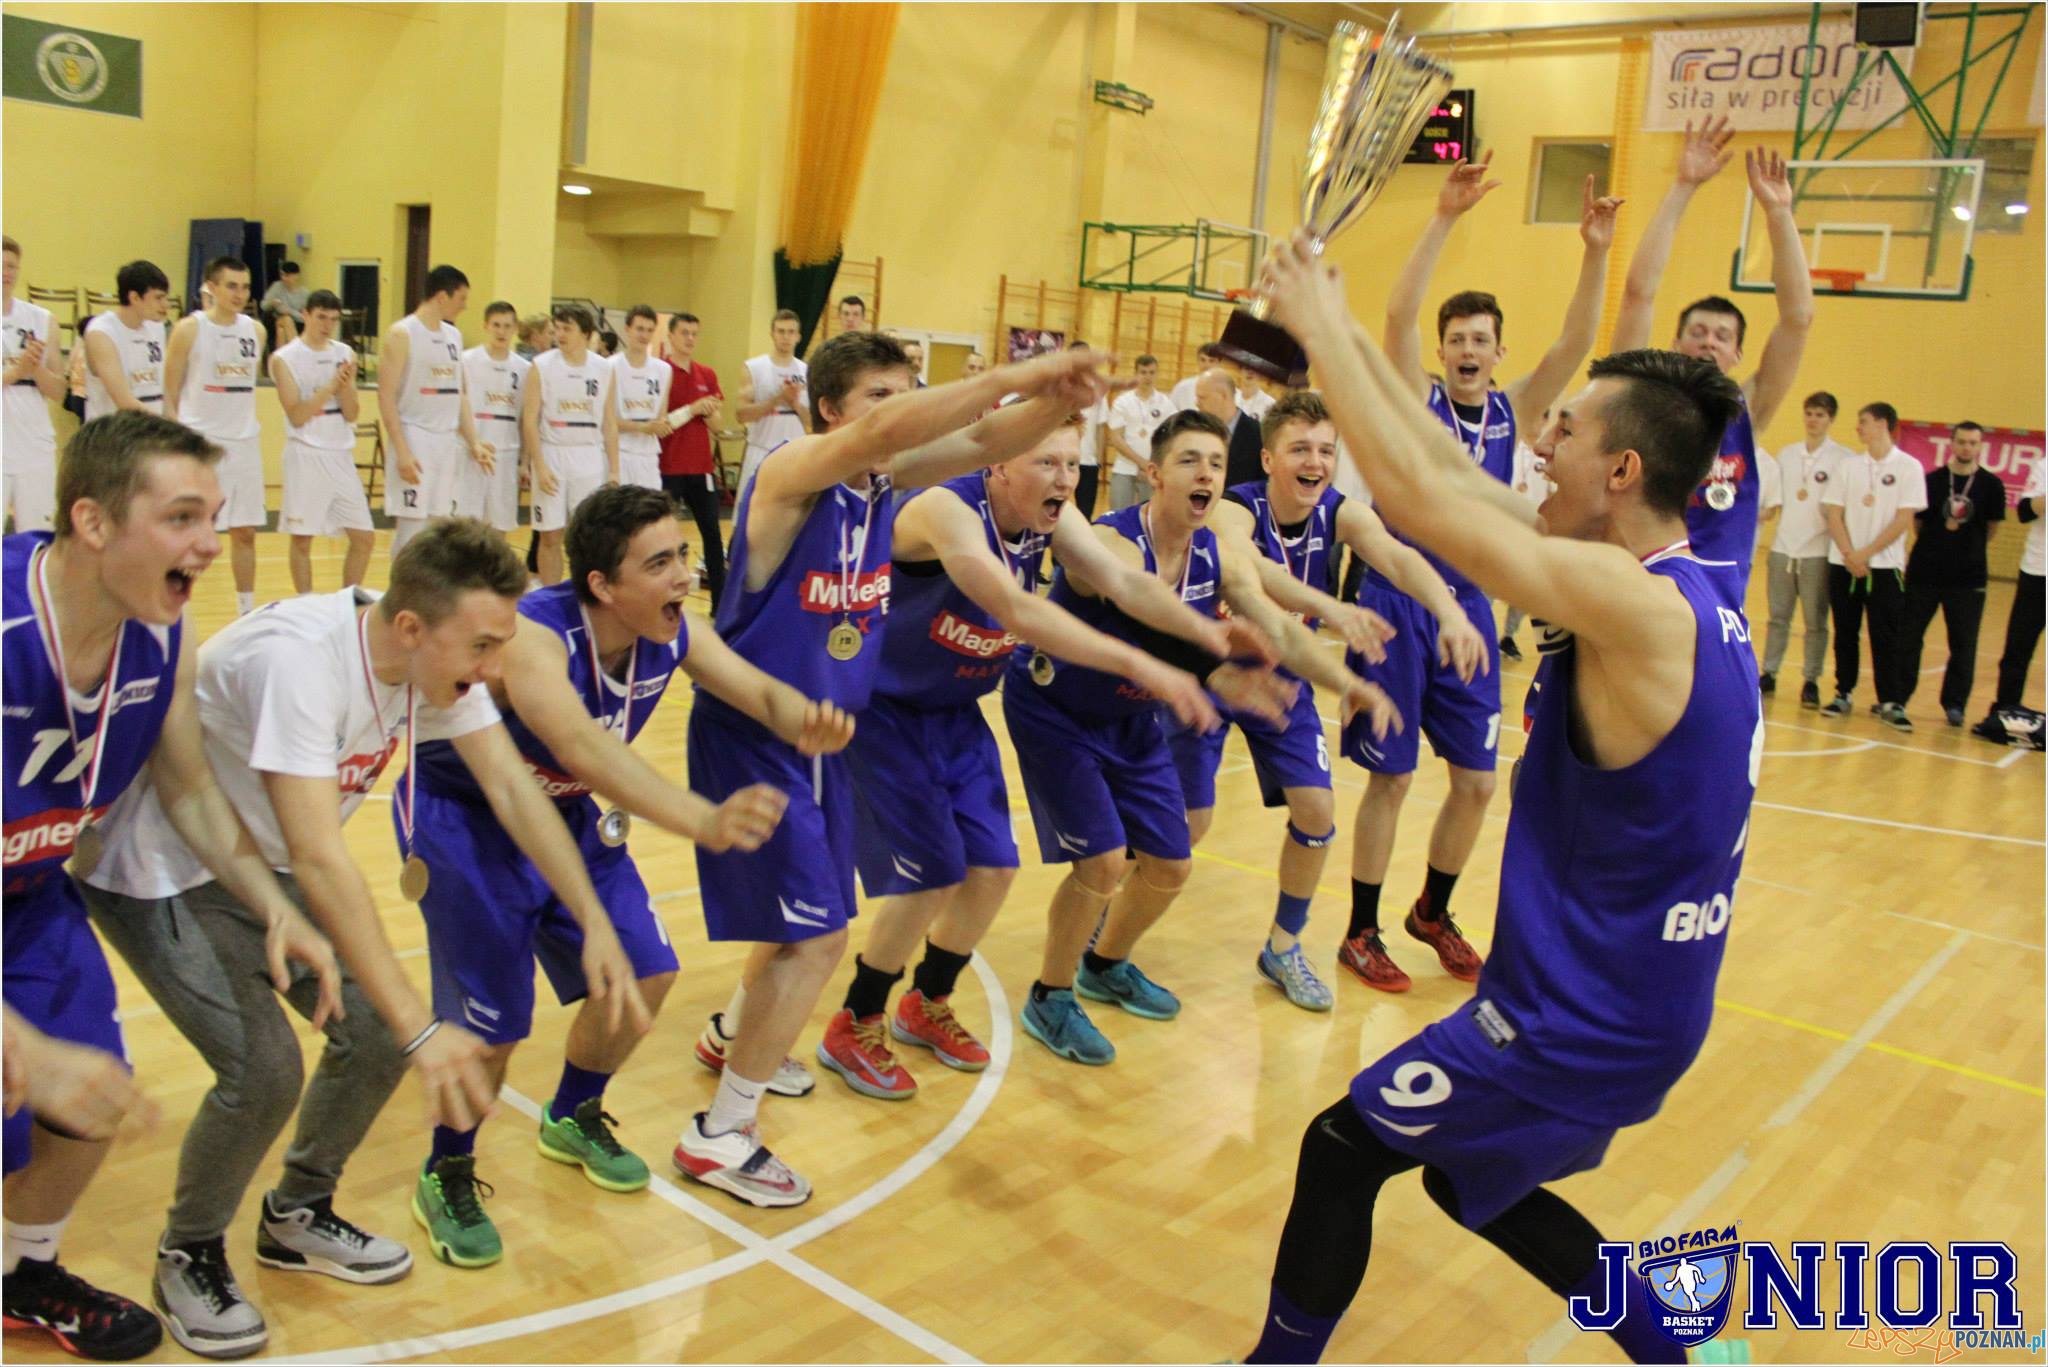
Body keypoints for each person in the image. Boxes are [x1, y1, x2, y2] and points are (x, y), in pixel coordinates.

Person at [1243, 231, 1757, 1367]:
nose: (1539, 440)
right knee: (1472, 1177)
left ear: (1621, 470)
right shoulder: (1694, 586)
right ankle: (1667, 1341)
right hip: (1635, 1003)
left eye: (1564, 430)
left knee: (1341, 1147)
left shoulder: (1631, 605)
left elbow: (1427, 496)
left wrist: (1316, 321)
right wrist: (1346, 327)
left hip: (1572, 1021)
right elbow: (1447, 468)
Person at [79, 520, 644, 1344]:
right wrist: (426, 1028)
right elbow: (318, 856)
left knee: (376, 1030)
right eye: (482, 646)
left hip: (259, 866)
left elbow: (517, 794)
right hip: (159, 865)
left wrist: (592, 917)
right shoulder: (302, 663)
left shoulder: (431, 662)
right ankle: (189, 1249)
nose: (493, 670)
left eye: (502, 645)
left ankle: (297, 1211)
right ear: (411, 625)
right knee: (263, 1065)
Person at [676, 334, 1113, 1205]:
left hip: (829, 734)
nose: (899, 409)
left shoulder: (881, 482)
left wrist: (1063, 399)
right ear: (832, 408)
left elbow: (988, 442)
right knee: (820, 936)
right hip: (757, 730)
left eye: (904, 392)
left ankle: (733, 1032)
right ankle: (721, 1132)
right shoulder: (794, 470)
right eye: (882, 395)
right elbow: (907, 434)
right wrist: (1015, 375)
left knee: (811, 916)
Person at [402, 486, 846, 1265]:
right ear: (602, 585)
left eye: (683, 555)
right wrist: (700, 817)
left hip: (566, 815)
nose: (685, 574)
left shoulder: (672, 632)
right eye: (661, 562)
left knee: (644, 976)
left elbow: (754, 687)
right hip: (468, 816)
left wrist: (811, 717)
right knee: (497, 1024)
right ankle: (448, 1165)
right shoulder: (533, 638)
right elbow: (581, 747)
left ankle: (572, 1113)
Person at [6, 412, 342, 1363]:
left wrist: (278, 908)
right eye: (184, 516)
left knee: (89, 1094)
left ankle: (22, 1272)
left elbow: (189, 787)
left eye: (217, 515)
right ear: (95, 521)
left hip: (26, 899)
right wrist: (23, 1042)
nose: (209, 542)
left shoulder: (158, 635)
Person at [819, 411, 1230, 1099]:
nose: (1064, 480)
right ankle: (856, 1017)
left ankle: (926, 1000)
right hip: (887, 711)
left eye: (1073, 465)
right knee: (930, 875)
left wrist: (1209, 647)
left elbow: (1126, 583)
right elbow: (1014, 607)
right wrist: (1147, 663)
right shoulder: (948, 509)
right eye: (1047, 463)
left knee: (993, 870)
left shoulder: (1054, 514)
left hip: (956, 712)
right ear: (1001, 462)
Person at [1004, 409, 1398, 1065]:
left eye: (1217, 463)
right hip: (1059, 710)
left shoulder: (1216, 555)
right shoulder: (1113, 539)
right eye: (1190, 460)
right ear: (1155, 475)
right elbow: (1129, 599)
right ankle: (1050, 995)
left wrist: (1342, 682)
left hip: (1133, 717)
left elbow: (1276, 624)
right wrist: (1213, 658)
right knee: (1103, 862)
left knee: (1172, 859)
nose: (1207, 473)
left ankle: (1106, 963)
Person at [1346, 157, 1620, 993]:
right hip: (1397, 595)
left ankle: (1431, 908)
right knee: (1391, 777)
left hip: (1469, 604)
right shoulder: (1415, 396)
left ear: (1499, 353)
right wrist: (1442, 216)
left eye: (1480, 340)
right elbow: (1395, 311)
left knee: (1473, 781)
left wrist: (1595, 251)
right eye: (1456, 339)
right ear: (1442, 351)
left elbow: (1576, 340)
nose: (1468, 350)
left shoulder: (1517, 408)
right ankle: (1361, 929)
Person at [1195, 391, 1485, 1008]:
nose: (1316, 461)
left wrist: (1450, 611)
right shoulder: (1234, 511)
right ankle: (1106, 924)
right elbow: (1249, 571)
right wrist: (1329, 608)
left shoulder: (1340, 512)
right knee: (1184, 830)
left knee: (1317, 814)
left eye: (1326, 450)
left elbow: (1400, 559)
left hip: (1285, 676)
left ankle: (1282, 947)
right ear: (1269, 459)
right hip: (1214, 672)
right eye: (1301, 449)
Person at [1611, 118, 1816, 588]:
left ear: (1738, 354)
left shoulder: (1749, 411)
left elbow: (1798, 318)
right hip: (1643, 594)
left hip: (1718, 603)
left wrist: (1780, 214)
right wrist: (1683, 185)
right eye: (1698, 332)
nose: (1708, 342)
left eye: (1722, 337)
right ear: (1675, 345)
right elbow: (1639, 293)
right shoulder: (1642, 404)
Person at [165, 257, 267, 615]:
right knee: (190, 531)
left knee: (245, 532)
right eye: (231, 286)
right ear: (212, 287)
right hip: (202, 443)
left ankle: (246, 611)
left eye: (245, 287)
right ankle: (174, 607)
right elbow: (170, 391)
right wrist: (176, 445)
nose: (239, 294)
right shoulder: (189, 330)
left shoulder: (256, 331)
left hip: (244, 443)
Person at [1818, 402, 1927, 730]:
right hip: (1844, 564)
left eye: (1863, 422)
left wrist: (1865, 553)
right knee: (1845, 632)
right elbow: (1833, 512)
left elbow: (1903, 519)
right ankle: (1843, 692)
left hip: (1884, 567)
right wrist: (1850, 553)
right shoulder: (1849, 466)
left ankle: (1891, 701)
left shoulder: (1909, 467)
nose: (1858, 428)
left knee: (1886, 635)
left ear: (1882, 425)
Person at [376, 264, 494, 558]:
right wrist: (402, 450)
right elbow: (386, 396)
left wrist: (474, 441)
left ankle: (427, 595)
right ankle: (400, 595)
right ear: (442, 296)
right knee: (411, 527)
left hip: (445, 441)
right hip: (415, 437)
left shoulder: (453, 337)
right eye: (461, 298)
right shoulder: (402, 334)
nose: (465, 305)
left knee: (437, 526)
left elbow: (460, 394)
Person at [1901, 421, 2006, 727]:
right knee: (1909, 639)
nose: (1966, 448)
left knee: (1963, 644)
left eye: (1973, 443)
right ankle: (1898, 697)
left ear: (1980, 446)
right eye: (1961, 442)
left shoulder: (1991, 485)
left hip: (1968, 579)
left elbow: (1991, 530)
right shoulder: (1932, 481)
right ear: (1951, 443)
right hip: (1925, 574)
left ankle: (1954, 704)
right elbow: (1918, 525)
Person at [273, 289, 372, 594]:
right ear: (305, 315)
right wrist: (331, 385)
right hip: (306, 453)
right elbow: (298, 415)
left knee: (363, 537)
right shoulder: (284, 359)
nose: (327, 325)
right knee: (302, 538)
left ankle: (349, 600)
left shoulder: (344, 353)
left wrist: (345, 387)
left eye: (332, 319)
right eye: (321, 317)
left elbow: (352, 412)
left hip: (340, 453)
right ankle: (305, 603)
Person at [1758, 392, 1852, 706]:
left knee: (1815, 621)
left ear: (1831, 419)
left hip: (1817, 551)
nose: (1813, 420)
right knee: (1778, 616)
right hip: (1783, 548)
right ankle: (1769, 672)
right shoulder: (1786, 454)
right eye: (1810, 413)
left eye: (1820, 415)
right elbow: (1775, 501)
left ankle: (1811, 679)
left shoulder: (1843, 459)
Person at [525, 303, 619, 584]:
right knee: (550, 533)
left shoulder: (603, 369)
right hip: (552, 453)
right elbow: (529, 420)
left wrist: (614, 469)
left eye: (568, 329)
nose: (560, 334)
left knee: (587, 534)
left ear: (587, 334)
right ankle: (550, 596)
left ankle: (582, 597)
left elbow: (609, 421)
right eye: (557, 328)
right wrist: (538, 466)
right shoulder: (541, 366)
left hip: (588, 456)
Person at [660, 312, 727, 609]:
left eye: (694, 333)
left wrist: (709, 411)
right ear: (671, 336)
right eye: (684, 333)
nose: (689, 339)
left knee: (712, 534)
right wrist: (692, 408)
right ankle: (663, 596)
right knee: (663, 536)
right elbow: (661, 422)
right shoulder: (661, 372)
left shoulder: (706, 374)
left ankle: (721, 603)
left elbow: (716, 425)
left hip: (701, 468)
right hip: (668, 467)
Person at [1977, 460, 2045, 741]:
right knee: (2018, 646)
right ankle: (2005, 714)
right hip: (2039, 570)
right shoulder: (2044, 465)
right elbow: (2026, 511)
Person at [3, 237, 66, 534]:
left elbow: (58, 391)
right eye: (2, 265)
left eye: (12, 266)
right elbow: (14, 372)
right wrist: (15, 371)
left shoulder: (41, 319)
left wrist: (36, 369)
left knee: (36, 537)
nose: (7, 272)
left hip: (34, 444)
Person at [459, 300, 530, 536]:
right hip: (471, 453)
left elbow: (526, 419)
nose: (501, 331)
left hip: (506, 455)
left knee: (500, 527)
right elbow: (457, 408)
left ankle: (493, 574)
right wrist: (472, 442)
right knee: (466, 526)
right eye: (496, 325)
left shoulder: (524, 369)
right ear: (485, 326)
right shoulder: (466, 361)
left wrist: (524, 462)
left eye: (507, 326)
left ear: (515, 329)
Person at [733, 310, 810, 494]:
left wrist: (795, 404)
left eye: (791, 332)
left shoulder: (806, 371)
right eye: (781, 331)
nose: (785, 337)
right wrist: (777, 399)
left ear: (798, 336)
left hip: (794, 453)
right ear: (772, 334)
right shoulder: (754, 368)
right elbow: (741, 414)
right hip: (761, 450)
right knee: (751, 513)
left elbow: (813, 422)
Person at [82, 260, 169, 421]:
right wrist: (170, 427)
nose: (166, 304)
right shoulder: (101, 332)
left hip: (151, 434)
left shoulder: (157, 327)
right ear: (134, 297)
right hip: (114, 436)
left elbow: (166, 389)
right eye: (159, 298)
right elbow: (123, 401)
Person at [1498, 428, 1557, 661]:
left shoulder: (1547, 458)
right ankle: (1471, 623)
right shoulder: (1512, 450)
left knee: (1523, 593)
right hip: (1506, 530)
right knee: (1488, 584)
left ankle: (1508, 637)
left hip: (1533, 534)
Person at [611, 305, 672, 491]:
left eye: (649, 330)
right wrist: (640, 426)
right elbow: (605, 419)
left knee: (650, 512)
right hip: (619, 452)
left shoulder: (663, 369)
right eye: (639, 329)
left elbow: (662, 415)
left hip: (648, 453)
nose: (644, 335)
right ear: (627, 329)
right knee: (620, 513)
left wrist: (662, 425)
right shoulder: (609, 366)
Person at [1104, 355, 1174, 510]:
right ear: (1135, 373)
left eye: (1151, 372)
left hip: (1153, 471)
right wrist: (1142, 463)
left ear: (1157, 374)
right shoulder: (1123, 402)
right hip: (1124, 468)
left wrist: (1151, 465)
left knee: (1150, 519)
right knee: (1118, 516)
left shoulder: (1166, 403)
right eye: (1143, 372)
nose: (1148, 377)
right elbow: (1115, 438)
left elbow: (1170, 438)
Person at [1192, 367, 1265, 489]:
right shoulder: (1197, 432)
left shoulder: (1259, 435)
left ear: (1223, 396)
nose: (1197, 403)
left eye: (1202, 397)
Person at [1068, 340, 1107, 518]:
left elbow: (1100, 426)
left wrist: (1098, 458)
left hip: (1087, 460)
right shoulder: (1058, 386)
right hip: (1061, 458)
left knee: (1085, 513)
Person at [259, 262, 308, 348]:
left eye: (287, 276)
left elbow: (305, 317)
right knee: (286, 320)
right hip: (274, 320)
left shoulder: (304, 294)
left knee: (282, 331)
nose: (284, 278)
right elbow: (263, 305)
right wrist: (271, 303)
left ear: (296, 276)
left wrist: (289, 311)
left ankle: (281, 357)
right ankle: (297, 351)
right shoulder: (277, 286)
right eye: (282, 275)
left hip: (297, 324)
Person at [1170, 343, 1226, 412]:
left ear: (1219, 363)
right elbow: (1171, 414)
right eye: (1203, 360)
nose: (1206, 365)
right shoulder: (1182, 387)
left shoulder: (1228, 390)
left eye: (1212, 361)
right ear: (1198, 361)